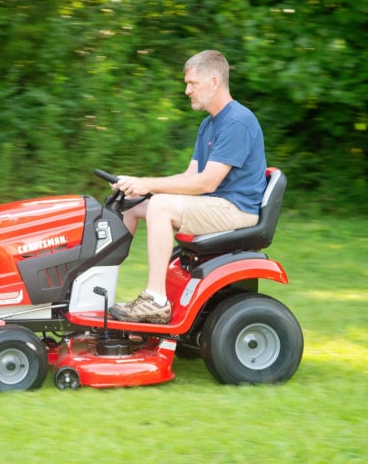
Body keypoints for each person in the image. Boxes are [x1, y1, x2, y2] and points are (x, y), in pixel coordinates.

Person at [108, 49, 267, 324]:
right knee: (132, 204)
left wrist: (149, 186)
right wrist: (140, 187)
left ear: (215, 82)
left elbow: (207, 182)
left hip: (236, 209)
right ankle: (100, 290)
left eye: (192, 83)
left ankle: (156, 300)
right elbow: (190, 175)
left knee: (160, 207)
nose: (187, 90)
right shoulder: (209, 124)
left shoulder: (237, 121)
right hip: (216, 203)